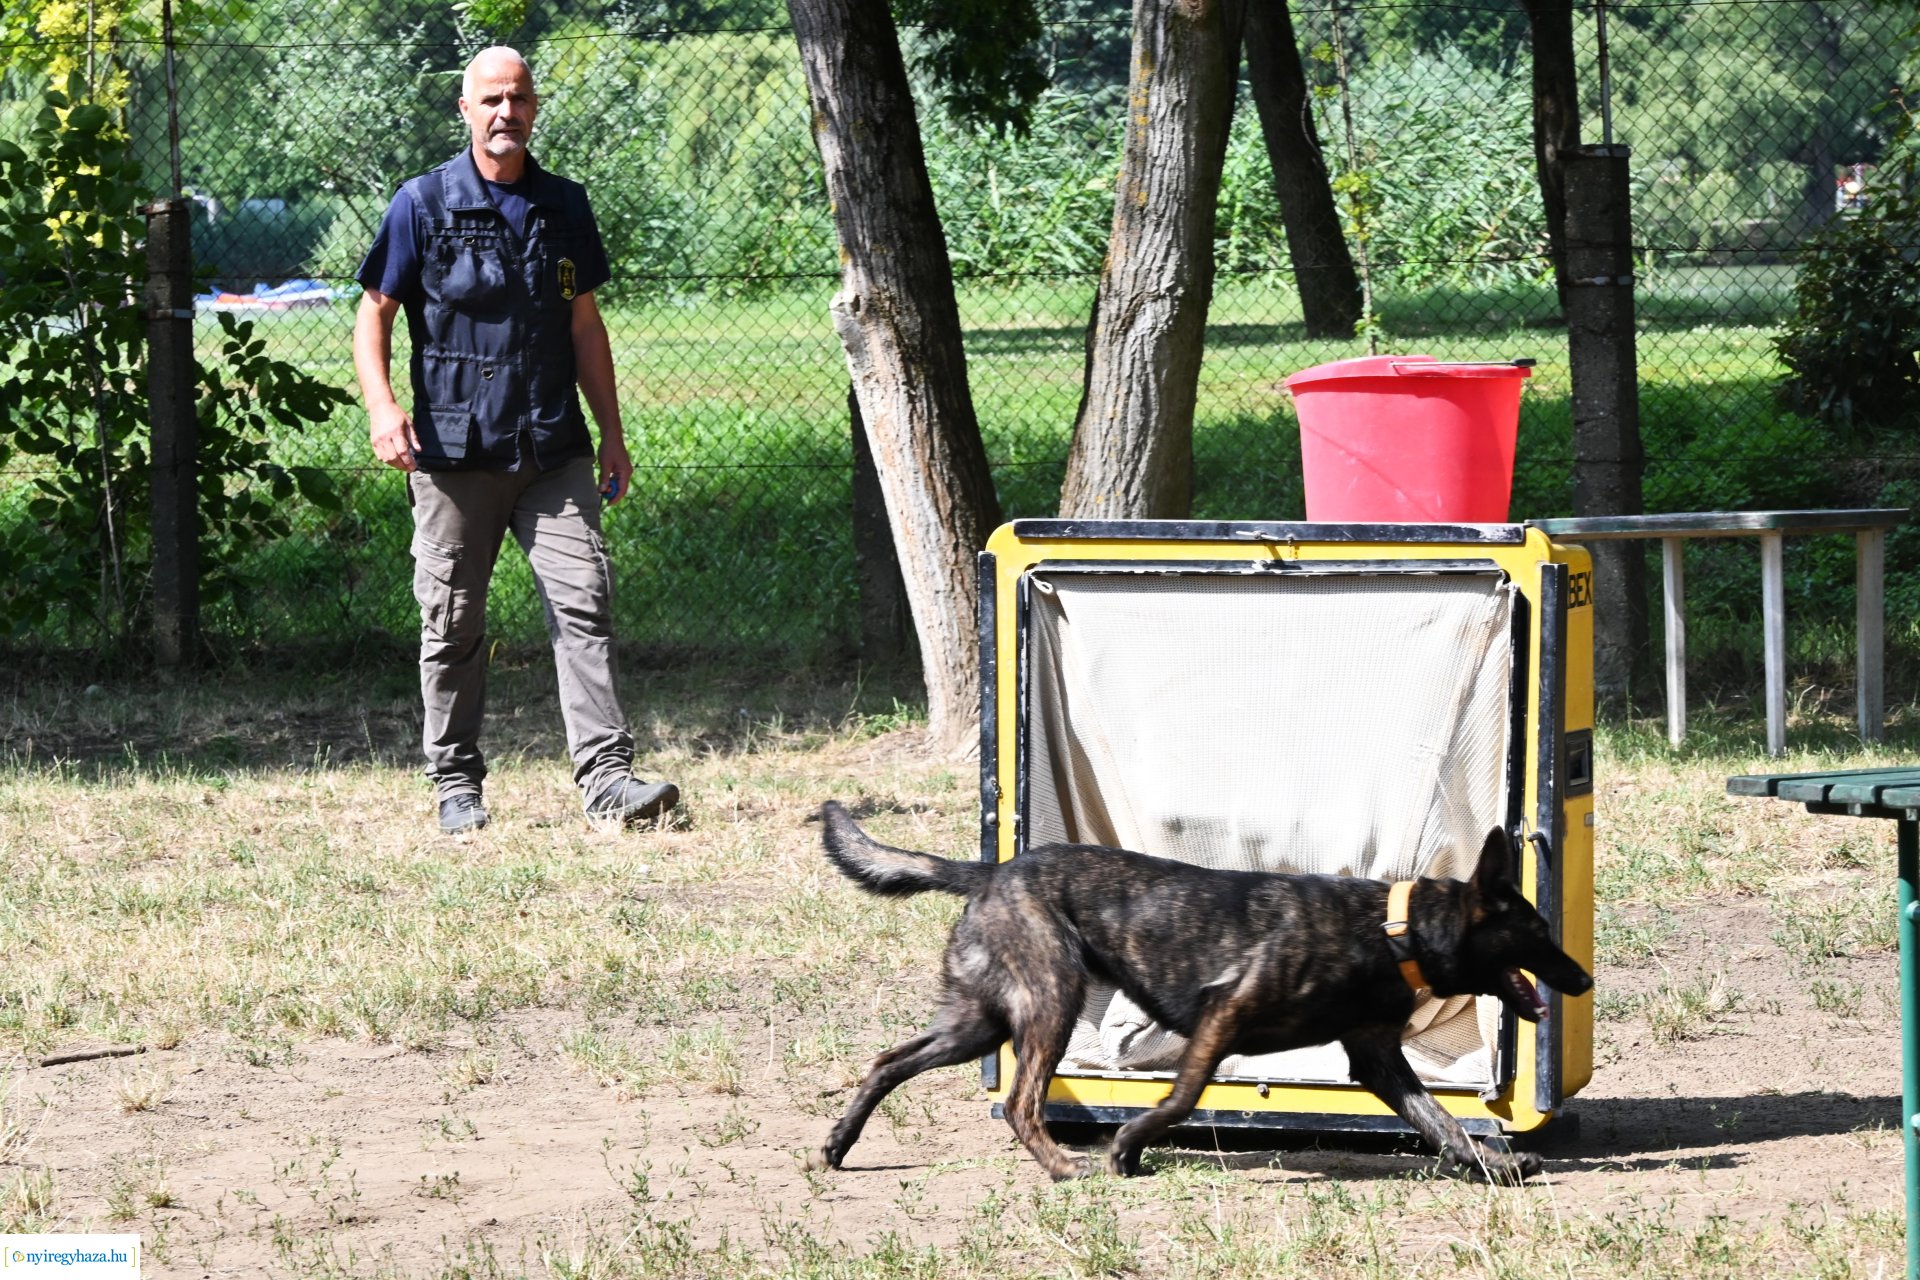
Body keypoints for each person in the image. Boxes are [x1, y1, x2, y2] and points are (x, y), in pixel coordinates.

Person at [352, 46, 678, 836]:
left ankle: (608, 782)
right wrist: (383, 408)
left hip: (553, 450)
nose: (506, 113)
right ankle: (456, 784)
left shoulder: (565, 205)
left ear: (535, 108)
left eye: (519, 99)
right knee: (453, 621)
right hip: (456, 455)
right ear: (465, 111)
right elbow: (374, 315)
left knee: (584, 604)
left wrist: (612, 434)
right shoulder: (422, 205)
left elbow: (584, 326)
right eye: (491, 100)